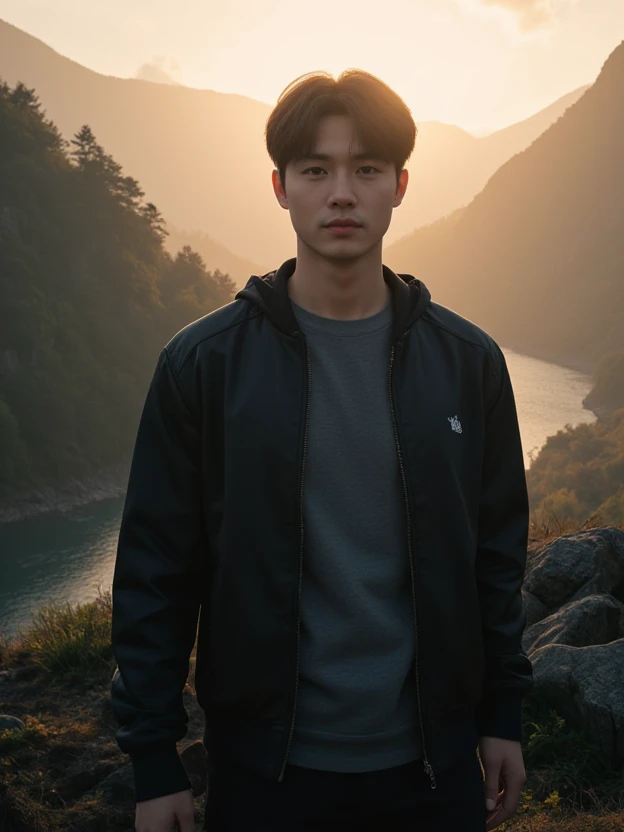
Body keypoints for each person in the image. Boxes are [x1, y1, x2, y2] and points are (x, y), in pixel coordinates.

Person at [110, 68, 534, 831]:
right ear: (280, 186)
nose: (343, 193)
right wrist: (153, 758)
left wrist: (503, 713)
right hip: (265, 773)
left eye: (366, 169)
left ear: (401, 184)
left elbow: (495, 559)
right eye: (317, 170)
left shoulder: (469, 364)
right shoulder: (204, 365)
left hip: (433, 768)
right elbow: (156, 571)